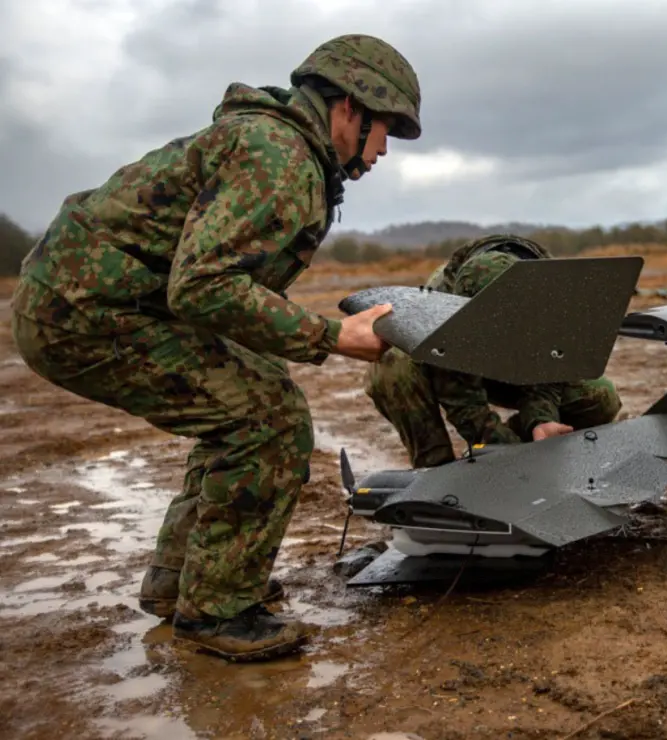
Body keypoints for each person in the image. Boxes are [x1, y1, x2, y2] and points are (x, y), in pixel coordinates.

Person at [10, 34, 421, 661]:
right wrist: (331, 335)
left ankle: (184, 587)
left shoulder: (283, 148)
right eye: (386, 127)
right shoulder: (279, 156)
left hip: (96, 301)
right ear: (348, 109)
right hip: (88, 312)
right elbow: (203, 286)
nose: (385, 147)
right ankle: (220, 610)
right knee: (271, 419)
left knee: (246, 404)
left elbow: (213, 285)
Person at [363, 234, 622, 468]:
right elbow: (460, 395)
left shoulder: (550, 293)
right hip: (453, 369)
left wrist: (540, 421)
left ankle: (526, 449)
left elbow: (552, 368)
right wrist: (496, 444)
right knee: (393, 363)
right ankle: (436, 470)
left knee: (599, 396)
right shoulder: (440, 305)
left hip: (510, 366)